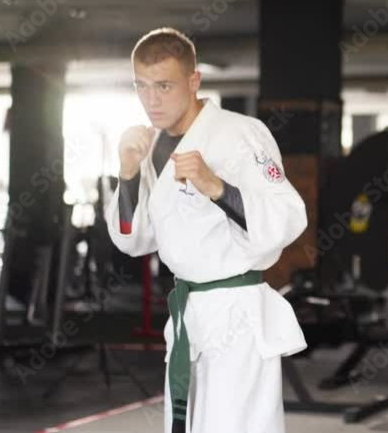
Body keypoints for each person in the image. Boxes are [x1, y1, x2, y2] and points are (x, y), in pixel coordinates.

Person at [105, 27, 308, 433]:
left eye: (164, 85)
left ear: (194, 81)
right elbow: (134, 237)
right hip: (190, 313)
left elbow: (288, 215)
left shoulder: (241, 134)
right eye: (142, 86)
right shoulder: (153, 146)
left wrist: (217, 188)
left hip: (237, 312)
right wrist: (128, 173)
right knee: (190, 424)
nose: (152, 99)